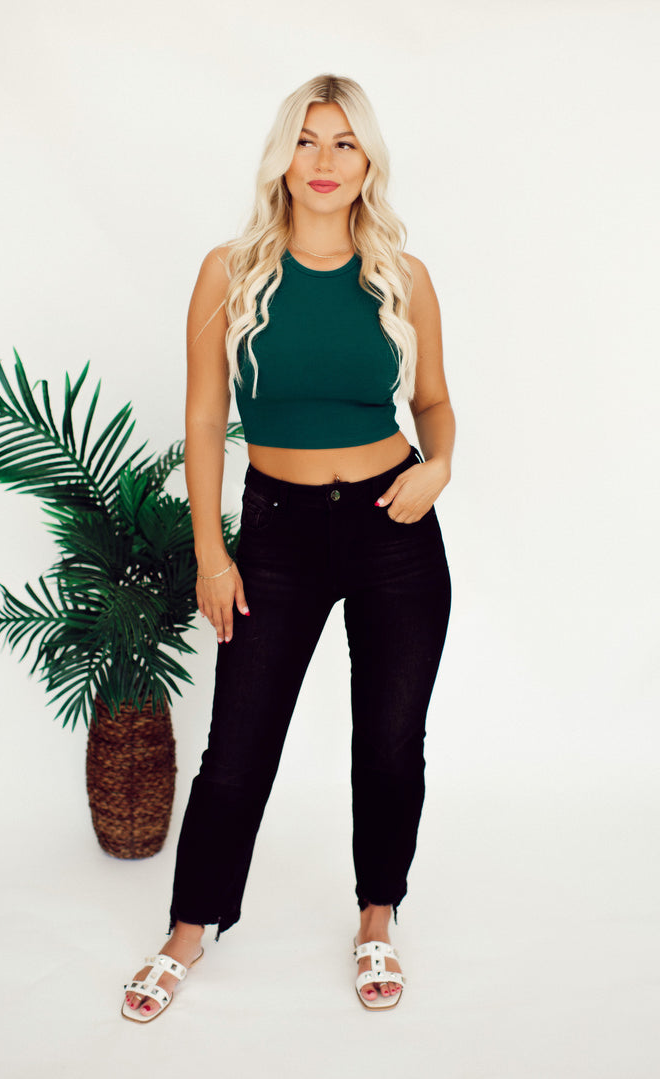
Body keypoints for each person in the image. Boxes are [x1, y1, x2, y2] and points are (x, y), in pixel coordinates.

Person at [122, 72, 453, 1020]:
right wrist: (211, 551)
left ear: (367, 162)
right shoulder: (230, 272)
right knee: (238, 748)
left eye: (344, 143)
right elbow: (203, 418)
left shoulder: (403, 277)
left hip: (395, 526)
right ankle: (189, 930)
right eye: (307, 140)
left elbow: (433, 402)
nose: (324, 161)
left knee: (389, 741)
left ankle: (377, 916)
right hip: (277, 533)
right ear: (282, 155)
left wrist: (439, 465)